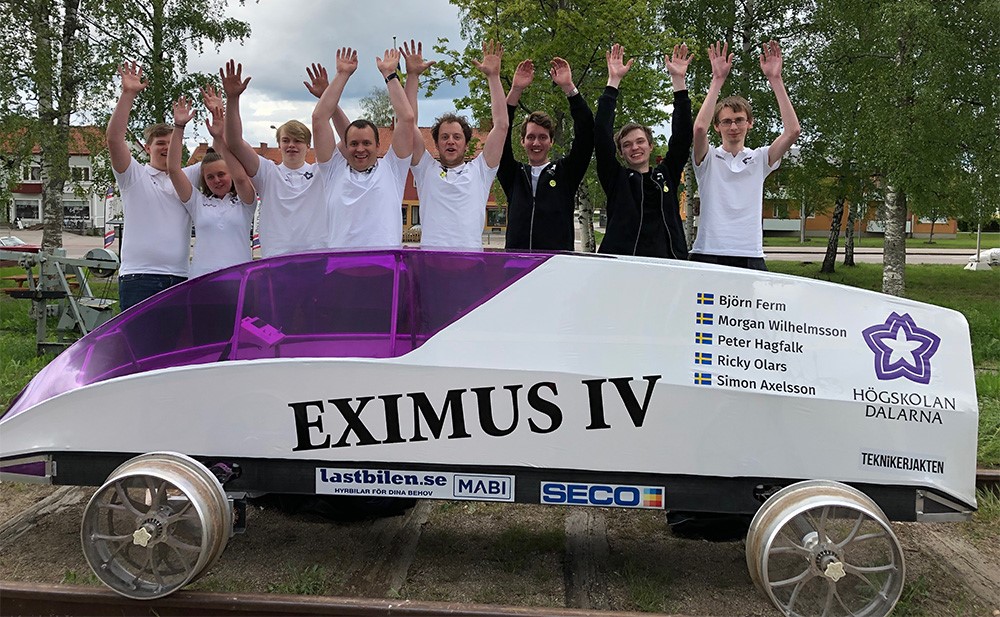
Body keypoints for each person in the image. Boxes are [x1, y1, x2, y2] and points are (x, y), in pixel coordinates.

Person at [689, 40, 801, 270]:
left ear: (749, 123)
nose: (733, 127)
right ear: (717, 126)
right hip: (708, 252)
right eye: (726, 121)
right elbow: (699, 128)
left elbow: (792, 132)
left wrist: (775, 80)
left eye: (739, 120)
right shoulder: (707, 159)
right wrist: (717, 80)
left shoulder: (760, 159)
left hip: (748, 254)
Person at [107, 62, 202, 310]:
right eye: (160, 143)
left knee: (176, 348)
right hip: (138, 277)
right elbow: (114, 139)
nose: (167, 148)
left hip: (180, 277)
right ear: (148, 148)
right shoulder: (133, 176)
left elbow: (225, 156)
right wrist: (128, 95)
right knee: (138, 347)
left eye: (173, 143)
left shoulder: (190, 177)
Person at [402, 40, 508, 250]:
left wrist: (493, 77)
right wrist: (412, 77)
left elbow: (502, 125)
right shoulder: (425, 169)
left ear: (466, 143)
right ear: (436, 143)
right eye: (444, 137)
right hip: (431, 265)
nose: (450, 141)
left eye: (457, 137)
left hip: (469, 266)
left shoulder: (480, 171)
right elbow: (408, 122)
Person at [222, 60, 329, 258]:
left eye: (298, 141)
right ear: (278, 145)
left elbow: (337, 135)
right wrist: (232, 98)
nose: (291, 145)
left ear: (308, 146)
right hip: (276, 260)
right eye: (285, 140)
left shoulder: (320, 173)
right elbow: (234, 142)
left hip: (316, 259)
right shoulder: (268, 172)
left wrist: (326, 96)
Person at [312, 47, 416, 249]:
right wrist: (342, 75)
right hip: (341, 269)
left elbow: (407, 118)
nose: (360, 149)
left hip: (384, 268)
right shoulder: (332, 170)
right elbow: (319, 118)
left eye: (366, 143)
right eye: (354, 143)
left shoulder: (393, 169)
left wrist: (389, 75)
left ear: (378, 145)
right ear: (345, 145)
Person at [596, 43, 692, 259]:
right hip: (623, 267)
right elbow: (601, 135)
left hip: (667, 266)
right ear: (621, 152)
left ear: (650, 145)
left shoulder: (665, 176)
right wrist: (613, 82)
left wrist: (678, 82)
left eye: (640, 142)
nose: (635, 147)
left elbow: (682, 137)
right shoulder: (616, 179)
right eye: (627, 145)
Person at [499, 57, 594, 251]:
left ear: (551, 142)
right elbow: (500, 132)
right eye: (531, 137)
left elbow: (586, 135)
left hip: (556, 267)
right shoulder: (513, 175)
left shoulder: (565, 173)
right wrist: (515, 91)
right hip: (517, 266)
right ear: (522, 141)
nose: (536, 143)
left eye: (542, 137)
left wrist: (569, 88)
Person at [167, 96, 256, 278]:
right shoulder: (197, 203)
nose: (216, 180)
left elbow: (241, 179)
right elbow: (173, 169)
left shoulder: (245, 202)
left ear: (230, 172)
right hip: (202, 280)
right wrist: (179, 127)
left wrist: (220, 137)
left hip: (239, 279)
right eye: (210, 177)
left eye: (221, 174)